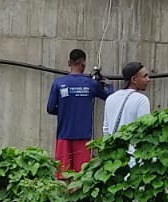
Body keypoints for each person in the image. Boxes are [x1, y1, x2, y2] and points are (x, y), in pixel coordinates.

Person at [46, 49, 114, 177]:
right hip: (83, 137)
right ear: (83, 64)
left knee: (62, 174)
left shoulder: (58, 83)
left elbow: (50, 108)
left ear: (68, 63)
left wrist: (64, 111)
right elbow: (109, 97)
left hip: (63, 136)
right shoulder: (90, 84)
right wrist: (108, 85)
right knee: (82, 175)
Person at [103, 61, 151, 136]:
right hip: (134, 147)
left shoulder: (110, 98)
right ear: (134, 79)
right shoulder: (142, 100)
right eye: (145, 76)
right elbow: (144, 129)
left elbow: (106, 129)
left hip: (113, 146)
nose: (148, 79)